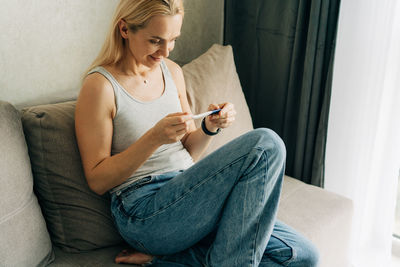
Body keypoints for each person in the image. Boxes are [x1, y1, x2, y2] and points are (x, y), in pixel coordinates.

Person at [75, 0, 320, 266]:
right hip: (144, 212)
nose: (165, 51)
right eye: (155, 40)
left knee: (302, 256)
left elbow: (189, 150)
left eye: (173, 40)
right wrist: (154, 138)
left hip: (190, 197)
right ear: (125, 29)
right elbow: (97, 180)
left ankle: (169, 260)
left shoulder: (172, 72)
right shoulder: (100, 86)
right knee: (266, 144)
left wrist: (209, 126)